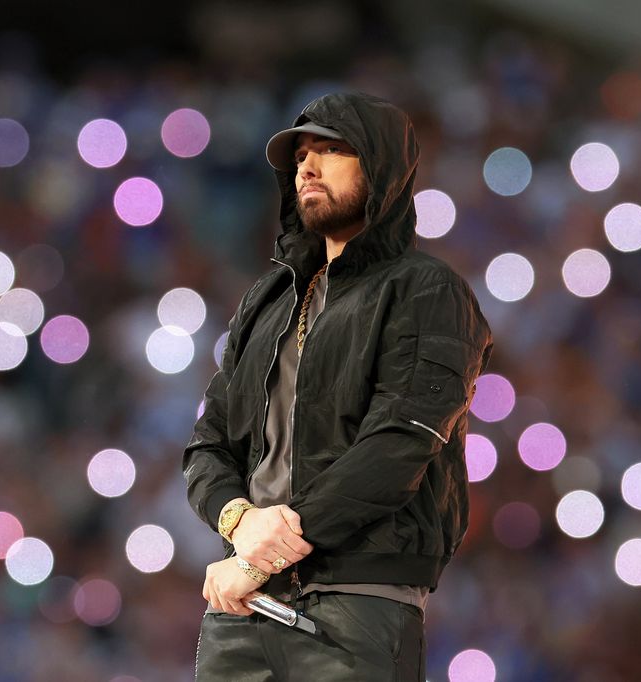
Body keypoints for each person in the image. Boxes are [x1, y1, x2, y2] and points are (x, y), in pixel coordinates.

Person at [183, 90, 493, 680]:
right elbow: (207, 443)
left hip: (356, 606)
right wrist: (237, 521)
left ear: (382, 168)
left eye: (332, 149)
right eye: (301, 153)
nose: (308, 165)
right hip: (240, 610)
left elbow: (400, 442)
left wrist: (261, 556)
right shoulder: (269, 298)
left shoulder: (426, 290)